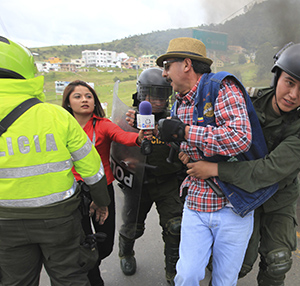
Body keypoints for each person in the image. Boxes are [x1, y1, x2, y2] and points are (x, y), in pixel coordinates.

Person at [186, 42, 300, 285]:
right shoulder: (246, 101)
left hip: (278, 195)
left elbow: (270, 170)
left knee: (278, 261)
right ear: (277, 77)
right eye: (289, 82)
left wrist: (215, 169)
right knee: (235, 263)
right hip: (240, 192)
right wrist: (190, 152)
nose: (293, 94)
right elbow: (214, 132)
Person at [0, 36, 110, 285]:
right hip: (59, 220)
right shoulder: (55, 115)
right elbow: (92, 168)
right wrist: (101, 201)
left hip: (4, 224)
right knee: (69, 277)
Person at [154, 37, 260, 286]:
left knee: (225, 281)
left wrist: (186, 132)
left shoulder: (222, 88)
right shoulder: (178, 104)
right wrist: (183, 150)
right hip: (197, 202)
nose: (164, 72)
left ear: (187, 64)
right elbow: (187, 145)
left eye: (168, 65)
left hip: (233, 205)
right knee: (187, 275)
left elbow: (240, 138)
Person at [61, 80, 147, 286]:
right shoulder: (60, 126)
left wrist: (140, 138)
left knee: (105, 244)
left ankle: (91, 265)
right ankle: (92, 276)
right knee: (82, 241)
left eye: (88, 96)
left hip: (101, 189)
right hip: (72, 192)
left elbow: (123, 136)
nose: (84, 100)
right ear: (68, 102)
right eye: (78, 96)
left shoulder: (102, 124)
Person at [118, 67, 185, 285]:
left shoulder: (175, 119)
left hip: (167, 181)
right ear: (140, 94)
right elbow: (116, 149)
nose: (154, 100)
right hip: (137, 183)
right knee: (132, 226)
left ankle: (172, 272)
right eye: (149, 94)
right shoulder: (128, 118)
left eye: (159, 95)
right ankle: (125, 253)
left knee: (175, 226)